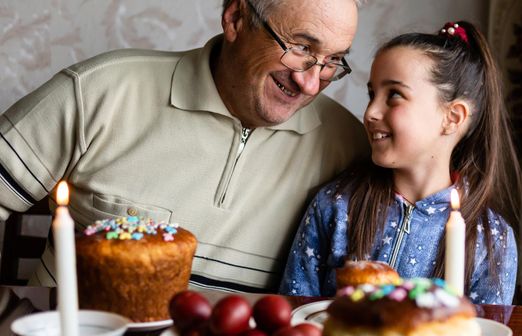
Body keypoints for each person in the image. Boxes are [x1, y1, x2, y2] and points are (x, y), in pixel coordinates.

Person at [0, 0, 369, 292]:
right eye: (301, 47)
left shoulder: (348, 147)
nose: (310, 83)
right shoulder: (99, 91)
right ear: (237, 19)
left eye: (333, 60)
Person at [279, 21, 521, 304]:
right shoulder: (336, 205)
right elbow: (295, 317)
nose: (370, 112)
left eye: (394, 95)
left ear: (452, 117)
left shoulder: (491, 239)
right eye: (372, 94)